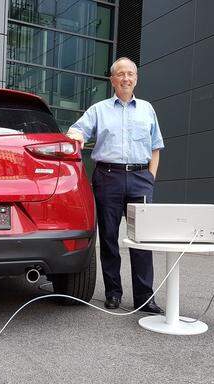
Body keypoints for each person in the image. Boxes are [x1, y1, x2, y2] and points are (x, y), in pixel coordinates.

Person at [66, 57, 165, 313]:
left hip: (141, 179)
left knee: (142, 240)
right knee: (109, 238)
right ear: (112, 80)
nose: (126, 78)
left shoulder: (147, 109)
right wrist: (75, 137)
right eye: (120, 74)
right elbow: (77, 131)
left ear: (136, 79)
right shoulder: (99, 110)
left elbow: (156, 147)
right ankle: (113, 293)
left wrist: (150, 179)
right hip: (107, 178)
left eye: (130, 74)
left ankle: (145, 297)